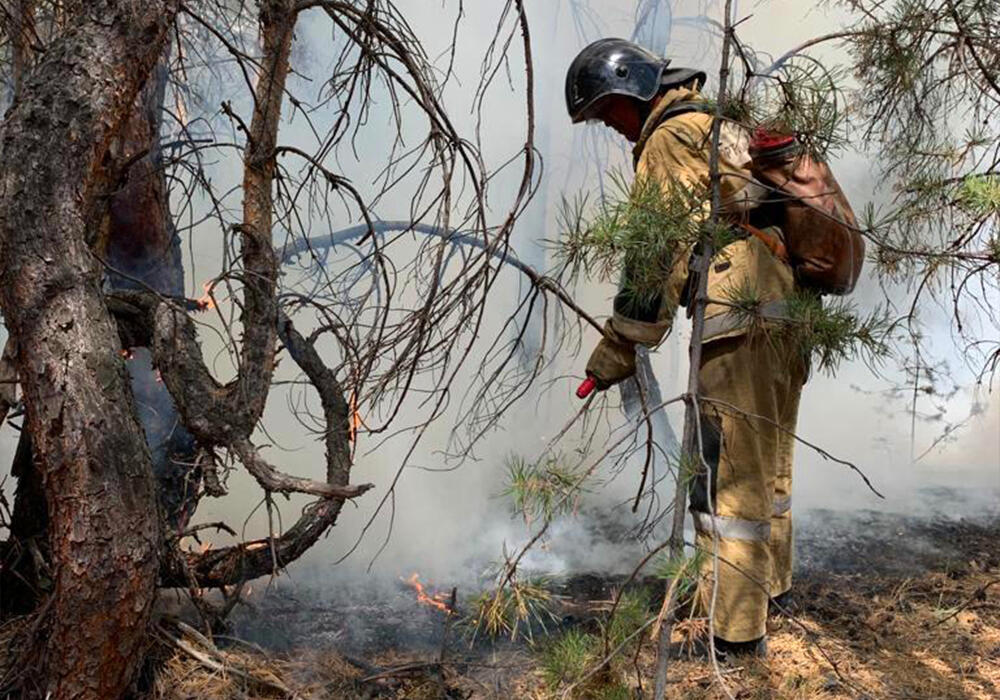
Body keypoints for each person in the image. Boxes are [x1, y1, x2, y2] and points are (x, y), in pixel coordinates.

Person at [565, 38, 809, 658]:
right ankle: (769, 594)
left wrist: (617, 350)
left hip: (735, 323)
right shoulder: (721, 123)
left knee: (727, 478)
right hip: (786, 317)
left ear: (635, 88)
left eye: (610, 113)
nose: (615, 131)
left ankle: (733, 636)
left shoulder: (672, 136)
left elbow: (654, 251)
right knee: (768, 468)